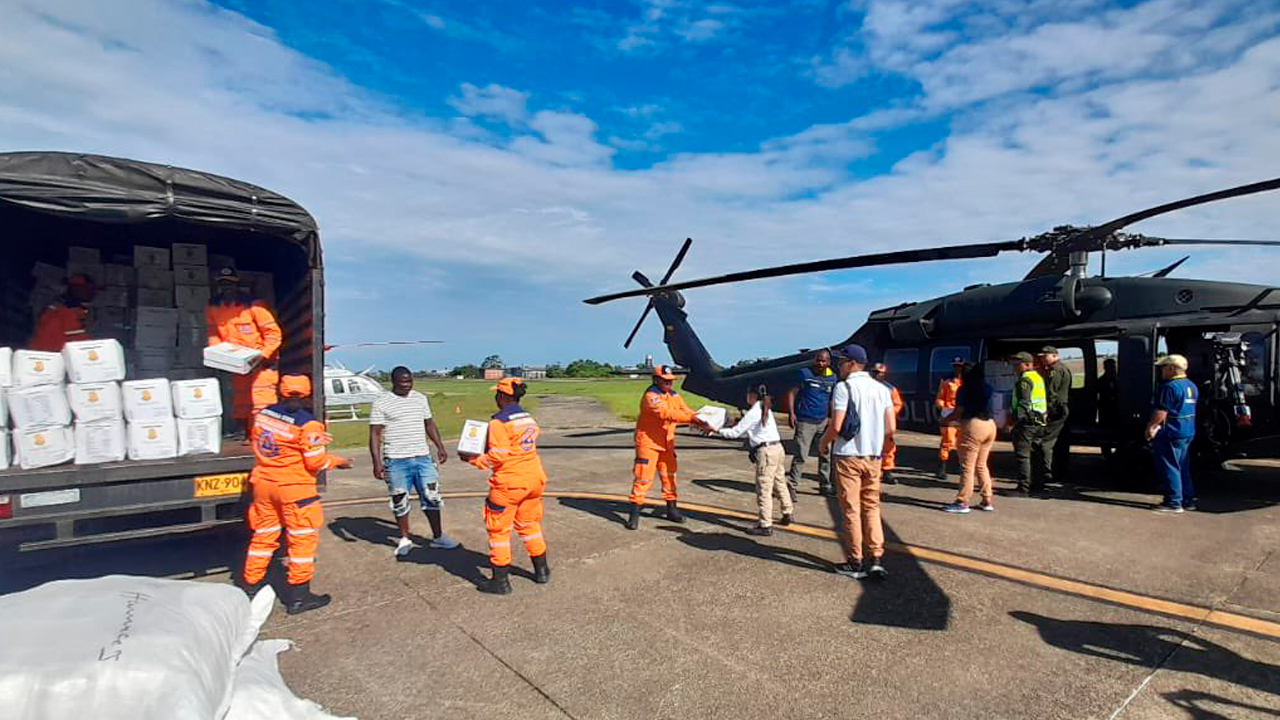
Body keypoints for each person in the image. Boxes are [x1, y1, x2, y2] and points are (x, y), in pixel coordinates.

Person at [240, 375, 351, 615]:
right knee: (301, 542)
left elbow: (257, 440)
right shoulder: (307, 424)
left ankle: (250, 586)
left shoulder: (264, 415)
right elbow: (315, 462)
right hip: (294, 489)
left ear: (281, 391)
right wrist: (338, 461)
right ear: (307, 394)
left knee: (263, 537)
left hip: (263, 483)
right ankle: (299, 596)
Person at [459, 378, 550, 595]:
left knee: (498, 531)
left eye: (497, 394)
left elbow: (498, 457)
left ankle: (500, 582)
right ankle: (542, 570)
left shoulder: (498, 422)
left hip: (510, 483)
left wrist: (474, 459)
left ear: (503, 396)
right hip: (534, 479)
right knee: (529, 525)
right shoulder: (527, 418)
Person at [820, 344, 895, 580]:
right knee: (872, 507)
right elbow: (891, 428)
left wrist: (823, 443)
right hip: (873, 457)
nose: (838, 367)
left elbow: (837, 425)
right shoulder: (882, 389)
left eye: (841, 363)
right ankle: (876, 558)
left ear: (852, 363)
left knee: (851, 509)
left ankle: (855, 561)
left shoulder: (844, 388)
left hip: (848, 456)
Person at [369, 366, 456, 559]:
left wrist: (440, 446)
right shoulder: (382, 402)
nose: (407, 386)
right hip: (396, 460)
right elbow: (375, 433)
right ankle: (404, 538)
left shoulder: (420, 398)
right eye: (403, 382)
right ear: (393, 382)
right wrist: (376, 462)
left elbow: (429, 423)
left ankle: (438, 536)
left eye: (410, 381)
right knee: (400, 500)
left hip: (423, 457)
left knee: (432, 497)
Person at [627, 365, 710, 530]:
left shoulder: (674, 395)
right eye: (665, 381)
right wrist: (694, 421)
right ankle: (634, 514)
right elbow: (668, 414)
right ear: (656, 380)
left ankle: (672, 510)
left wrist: (700, 418)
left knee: (669, 477)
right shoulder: (651, 397)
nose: (669, 384)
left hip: (667, 442)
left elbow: (684, 410)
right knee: (643, 478)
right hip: (649, 443)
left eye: (670, 381)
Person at [206, 267, 283, 438]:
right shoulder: (214, 307)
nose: (227, 288)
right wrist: (217, 354)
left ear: (237, 285)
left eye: (230, 284)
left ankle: (265, 436)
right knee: (241, 402)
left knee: (262, 401)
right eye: (223, 284)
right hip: (237, 364)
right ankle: (247, 434)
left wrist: (263, 355)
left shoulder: (254, 306)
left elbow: (273, 333)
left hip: (262, 364)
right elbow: (213, 332)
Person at [716, 384, 793, 536]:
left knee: (764, 488)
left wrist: (716, 430)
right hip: (777, 449)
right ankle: (787, 512)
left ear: (752, 395)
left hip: (766, 452)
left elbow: (736, 432)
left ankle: (765, 524)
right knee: (779, 482)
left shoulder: (755, 410)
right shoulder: (765, 407)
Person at [1147, 354, 1198, 513]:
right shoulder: (1190, 385)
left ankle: (1173, 502)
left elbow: (1162, 411)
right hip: (1187, 430)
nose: (1161, 371)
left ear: (1171, 369)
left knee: (1169, 466)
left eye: (1163, 367)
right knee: (1182, 466)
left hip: (1171, 431)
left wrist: (1151, 427)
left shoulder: (1169, 386)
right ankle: (1188, 499)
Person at [944, 362, 996, 514]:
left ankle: (962, 501)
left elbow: (958, 412)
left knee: (967, 466)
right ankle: (987, 500)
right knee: (981, 464)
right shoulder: (987, 388)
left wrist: (945, 420)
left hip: (973, 426)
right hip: (990, 425)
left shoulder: (963, 389)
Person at [786, 349, 837, 497]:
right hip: (805, 421)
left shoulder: (832, 377)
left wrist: (832, 418)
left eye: (824, 361)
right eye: (818, 360)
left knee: (825, 455)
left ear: (828, 362)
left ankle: (825, 484)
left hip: (823, 421)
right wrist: (792, 413)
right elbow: (792, 393)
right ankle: (792, 486)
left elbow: (832, 399)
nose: (821, 363)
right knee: (801, 455)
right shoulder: (805, 374)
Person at [1007, 352, 1049, 495]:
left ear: (1026, 364)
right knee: (1037, 454)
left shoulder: (1024, 380)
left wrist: (1014, 423)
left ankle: (1023, 488)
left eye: (1016, 365)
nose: (1014, 367)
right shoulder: (1037, 377)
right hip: (1039, 421)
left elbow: (1023, 404)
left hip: (1027, 422)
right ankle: (1038, 484)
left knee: (1023, 455)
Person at [29, 273, 96, 352]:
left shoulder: (84, 310)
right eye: (86, 288)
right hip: (52, 356)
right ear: (74, 288)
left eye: (91, 289)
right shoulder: (59, 312)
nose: (92, 293)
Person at [1037, 346, 1073, 485]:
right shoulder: (1063, 368)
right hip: (1063, 407)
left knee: (1046, 441)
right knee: (1061, 443)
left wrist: (1046, 411)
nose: (1042, 359)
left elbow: (1051, 393)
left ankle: (1047, 472)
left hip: (1056, 409)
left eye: (1045, 356)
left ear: (1054, 356)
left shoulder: (1055, 370)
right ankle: (1060, 471)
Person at [870, 362, 904, 485]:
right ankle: (873, 471)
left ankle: (887, 470)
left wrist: (888, 414)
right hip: (870, 422)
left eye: (881, 373)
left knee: (888, 448)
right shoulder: (866, 387)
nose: (878, 375)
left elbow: (897, 404)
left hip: (885, 423)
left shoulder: (890, 388)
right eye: (876, 372)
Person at [1097, 358, 1119, 460]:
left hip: (1117, 411)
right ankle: (1107, 456)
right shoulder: (1102, 380)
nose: (1112, 369)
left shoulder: (1119, 380)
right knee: (1104, 435)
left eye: (1113, 367)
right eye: (1110, 367)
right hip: (1106, 410)